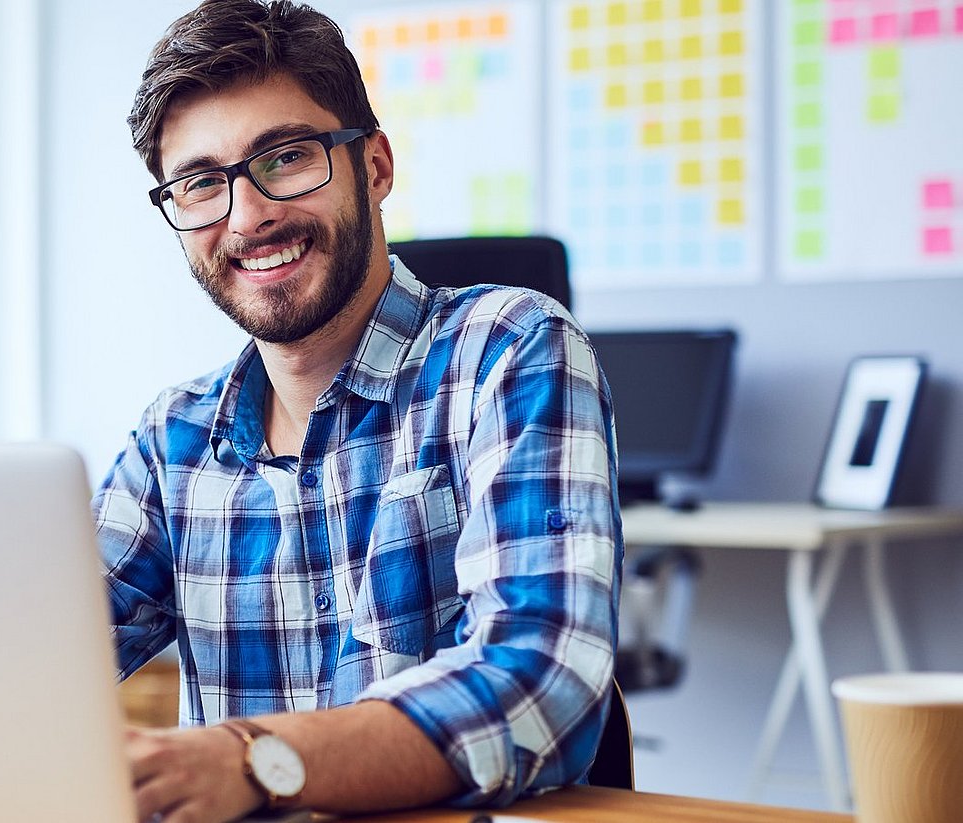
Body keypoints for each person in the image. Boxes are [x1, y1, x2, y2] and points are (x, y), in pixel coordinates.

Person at [94, 2, 623, 820]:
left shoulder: (508, 351)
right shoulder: (175, 439)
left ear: (374, 166)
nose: (249, 216)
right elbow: (36, 663)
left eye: (286, 158)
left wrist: (252, 760)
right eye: (201, 183)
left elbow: (541, 679)